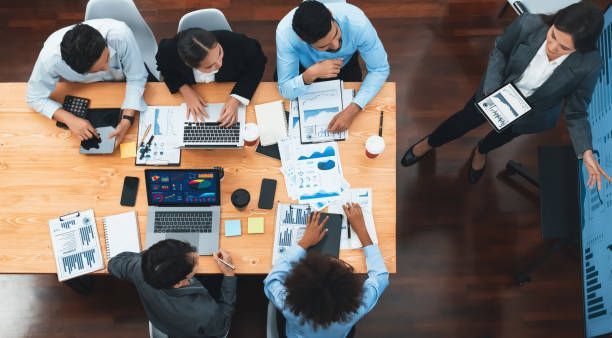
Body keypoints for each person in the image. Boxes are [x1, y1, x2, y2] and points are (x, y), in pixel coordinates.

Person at [401, 1, 611, 189]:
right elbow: (500, 50)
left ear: (580, 50)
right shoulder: (529, 24)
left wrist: (585, 151)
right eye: (553, 35)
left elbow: (576, 112)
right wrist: (491, 89)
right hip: (497, 90)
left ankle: (481, 151)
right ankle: (431, 142)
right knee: (463, 121)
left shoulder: (589, 65)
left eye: (564, 47)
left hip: (532, 113)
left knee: (502, 136)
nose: (552, 47)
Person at [264, 204, 389, 338]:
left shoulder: (289, 305)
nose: (332, 258)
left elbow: (271, 281)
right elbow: (381, 276)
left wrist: (304, 243)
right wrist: (362, 230)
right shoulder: (356, 307)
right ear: (351, 288)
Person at [26, 19, 148, 145]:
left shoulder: (121, 35)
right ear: (77, 71)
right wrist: (70, 119)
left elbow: (136, 77)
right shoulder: (50, 59)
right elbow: (34, 98)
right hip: (90, 91)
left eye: (107, 58)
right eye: (99, 69)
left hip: (126, 80)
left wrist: (127, 119)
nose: (107, 68)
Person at [276, 1, 390, 133]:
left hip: (345, 67)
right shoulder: (285, 34)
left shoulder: (357, 22)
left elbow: (380, 69)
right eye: (324, 46)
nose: (336, 46)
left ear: (330, 14)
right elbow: (285, 88)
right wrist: (311, 74)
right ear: (302, 40)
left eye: (336, 34)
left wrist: (354, 109)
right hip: (305, 70)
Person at [108, 239, 236, 337]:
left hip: (162, 322)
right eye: (194, 264)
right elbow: (223, 327)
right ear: (179, 283)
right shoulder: (204, 313)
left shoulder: (139, 268)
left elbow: (113, 263)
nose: (197, 255)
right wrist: (229, 275)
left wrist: (153, 259)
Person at [156, 28, 267, 127]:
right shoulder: (168, 51)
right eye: (209, 66)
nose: (220, 64)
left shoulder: (236, 42)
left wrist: (236, 98)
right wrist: (185, 90)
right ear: (189, 64)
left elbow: (258, 62)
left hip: (230, 88)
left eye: (219, 53)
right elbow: (164, 67)